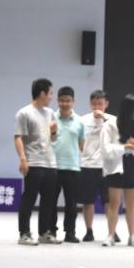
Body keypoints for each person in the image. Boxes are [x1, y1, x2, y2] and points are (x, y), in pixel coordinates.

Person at [14, 78, 59, 245]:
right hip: (33, 162)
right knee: (29, 198)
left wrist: (54, 131)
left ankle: (44, 233)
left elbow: (53, 140)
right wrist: (23, 159)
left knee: (48, 200)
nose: (51, 97)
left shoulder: (51, 113)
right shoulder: (24, 113)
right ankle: (24, 233)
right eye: (50, 93)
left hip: (50, 162)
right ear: (42, 93)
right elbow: (18, 138)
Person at [100, 94, 134, 247]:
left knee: (131, 205)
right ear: (127, 109)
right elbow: (105, 149)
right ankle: (110, 235)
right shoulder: (110, 125)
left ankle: (132, 236)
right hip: (115, 167)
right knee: (114, 203)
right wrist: (124, 147)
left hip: (132, 165)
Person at [51, 87, 86, 243]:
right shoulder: (50, 118)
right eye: (62, 100)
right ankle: (51, 231)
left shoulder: (80, 121)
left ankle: (70, 232)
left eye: (68, 100)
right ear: (57, 101)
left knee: (71, 204)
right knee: (50, 202)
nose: (65, 103)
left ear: (73, 102)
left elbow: (82, 144)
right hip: (53, 166)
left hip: (72, 167)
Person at [78, 90, 114, 242]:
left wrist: (104, 117)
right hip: (87, 165)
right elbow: (78, 140)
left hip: (107, 166)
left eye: (100, 104)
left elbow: (118, 136)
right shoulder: (82, 120)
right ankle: (89, 230)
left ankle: (112, 231)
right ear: (90, 104)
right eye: (94, 104)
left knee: (109, 201)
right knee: (87, 201)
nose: (97, 107)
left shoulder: (112, 120)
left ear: (106, 104)